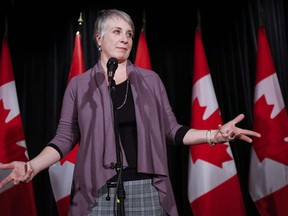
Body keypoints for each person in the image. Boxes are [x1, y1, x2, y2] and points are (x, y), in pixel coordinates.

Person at [0, 9, 261, 216]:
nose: (125, 38)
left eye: (129, 33)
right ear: (99, 39)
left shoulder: (151, 80)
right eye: (117, 31)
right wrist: (31, 166)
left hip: (145, 188)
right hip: (95, 191)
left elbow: (173, 130)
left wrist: (215, 134)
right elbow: (64, 138)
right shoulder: (79, 85)